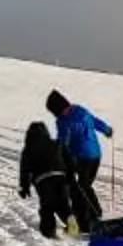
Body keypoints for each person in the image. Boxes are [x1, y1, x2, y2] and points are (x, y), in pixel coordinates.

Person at [46, 89, 111, 231]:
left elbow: (63, 143)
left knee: (78, 188)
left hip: (82, 158)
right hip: (96, 155)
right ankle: (94, 213)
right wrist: (107, 130)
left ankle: (86, 220)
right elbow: (95, 121)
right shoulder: (80, 109)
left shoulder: (64, 121)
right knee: (85, 185)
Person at [17, 119, 77, 238]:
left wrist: (24, 187)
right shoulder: (57, 143)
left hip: (43, 180)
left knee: (47, 207)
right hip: (61, 178)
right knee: (64, 205)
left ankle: (49, 232)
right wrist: (71, 175)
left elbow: (25, 170)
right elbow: (71, 161)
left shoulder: (28, 149)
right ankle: (72, 226)